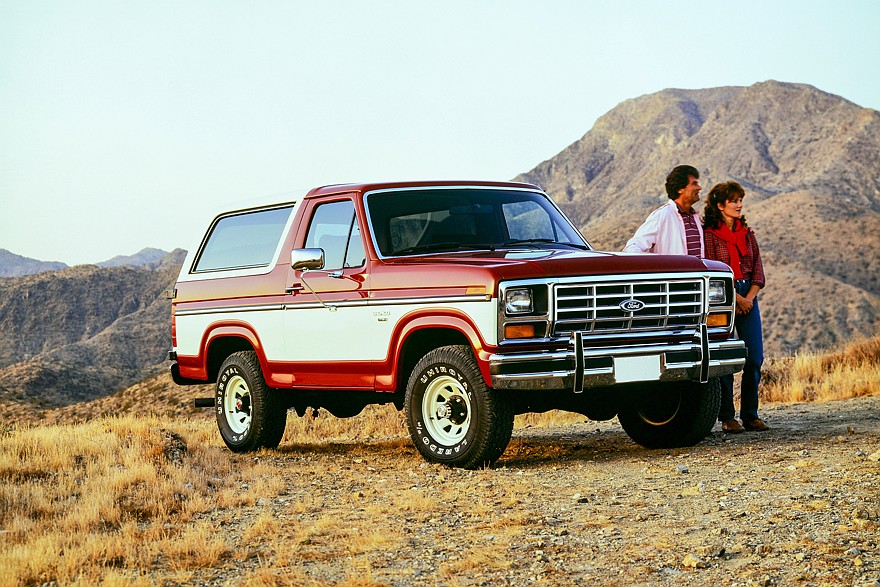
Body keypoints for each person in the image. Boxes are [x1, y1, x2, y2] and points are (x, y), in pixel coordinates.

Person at [703, 181, 769, 433]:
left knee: (755, 357)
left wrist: (749, 298)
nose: (739, 204)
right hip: (722, 299)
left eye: (740, 200)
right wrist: (735, 298)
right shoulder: (709, 235)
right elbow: (709, 270)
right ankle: (727, 417)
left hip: (748, 297)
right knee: (726, 358)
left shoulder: (748, 234)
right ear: (720, 205)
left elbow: (759, 272)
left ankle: (751, 415)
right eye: (733, 201)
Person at [623, 164, 704, 256]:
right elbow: (633, 247)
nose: (699, 188)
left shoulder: (695, 217)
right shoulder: (662, 215)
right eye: (694, 184)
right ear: (680, 189)